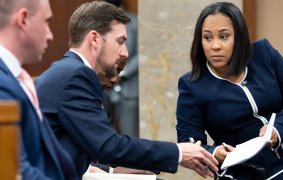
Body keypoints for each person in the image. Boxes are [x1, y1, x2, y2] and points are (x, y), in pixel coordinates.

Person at [35, 1, 219, 178]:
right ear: (94, 39)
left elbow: (81, 149)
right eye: (120, 41)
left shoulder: (69, 71)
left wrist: (112, 172)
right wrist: (178, 152)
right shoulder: (76, 75)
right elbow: (107, 145)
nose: (125, 52)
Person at [176, 2, 283, 180]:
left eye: (224, 37)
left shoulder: (264, 53)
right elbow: (189, 142)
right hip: (250, 171)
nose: (215, 46)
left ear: (240, 37)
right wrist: (214, 152)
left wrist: (277, 130)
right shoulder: (191, 85)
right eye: (207, 38)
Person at [0, 0, 78, 179]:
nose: (50, 35)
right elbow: (16, 171)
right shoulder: (3, 82)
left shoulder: (14, 77)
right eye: (46, 22)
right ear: (24, 19)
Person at [105, 0, 140, 138]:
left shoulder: (135, 23)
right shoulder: (100, 23)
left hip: (128, 91)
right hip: (105, 89)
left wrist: (122, 73)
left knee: (130, 136)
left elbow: (141, 54)